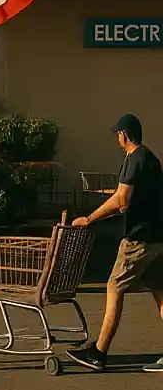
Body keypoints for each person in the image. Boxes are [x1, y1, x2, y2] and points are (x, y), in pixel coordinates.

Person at [67, 114, 163, 373]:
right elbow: (129, 196)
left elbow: (122, 199)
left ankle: (98, 352)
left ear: (124, 135)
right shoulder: (149, 158)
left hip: (139, 239)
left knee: (114, 287)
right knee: (160, 291)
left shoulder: (135, 158)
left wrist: (89, 218)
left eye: (117, 135)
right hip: (158, 237)